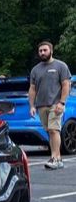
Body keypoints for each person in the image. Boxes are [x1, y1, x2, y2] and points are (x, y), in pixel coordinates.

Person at [28, 41, 71, 169]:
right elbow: (32, 89)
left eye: (45, 50)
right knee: (49, 131)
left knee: (54, 129)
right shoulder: (35, 69)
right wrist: (32, 105)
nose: (42, 53)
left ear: (51, 51)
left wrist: (62, 102)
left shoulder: (60, 66)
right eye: (40, 51)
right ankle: (58, 159)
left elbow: (65, 85)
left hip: (55, 104)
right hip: (41, 105)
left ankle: (55, 158)